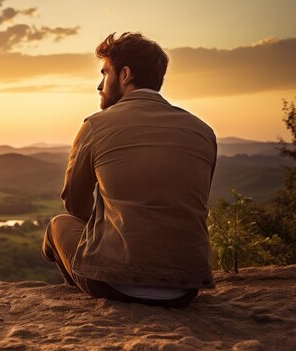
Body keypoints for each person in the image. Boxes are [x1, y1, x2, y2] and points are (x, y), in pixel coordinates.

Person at [41, 32, 218, 308]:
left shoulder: (96, 126)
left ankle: (83, 306)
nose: (100, 85)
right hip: (185, 288)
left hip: (114, 284)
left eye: (105, 73)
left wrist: (112, 226)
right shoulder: (203, 131)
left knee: (57, 225)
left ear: (124, 75)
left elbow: (74, 204)